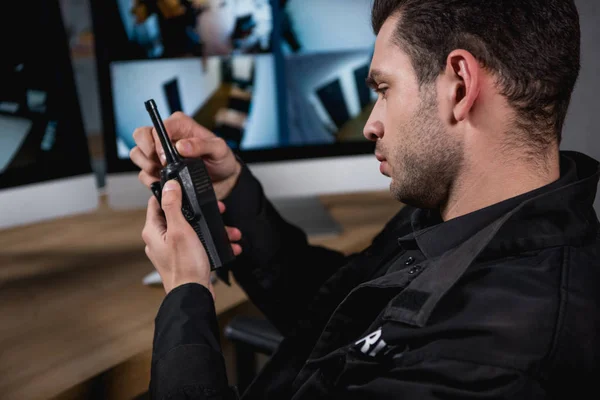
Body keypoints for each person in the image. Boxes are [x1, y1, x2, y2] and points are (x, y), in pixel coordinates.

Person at [130, 0, 600, 398]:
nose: (371, 124)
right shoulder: (461, 217)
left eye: (383, 89)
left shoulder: (497, 358)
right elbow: (341, 309)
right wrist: (229, 187)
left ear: (459, 84)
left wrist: (186, 295)